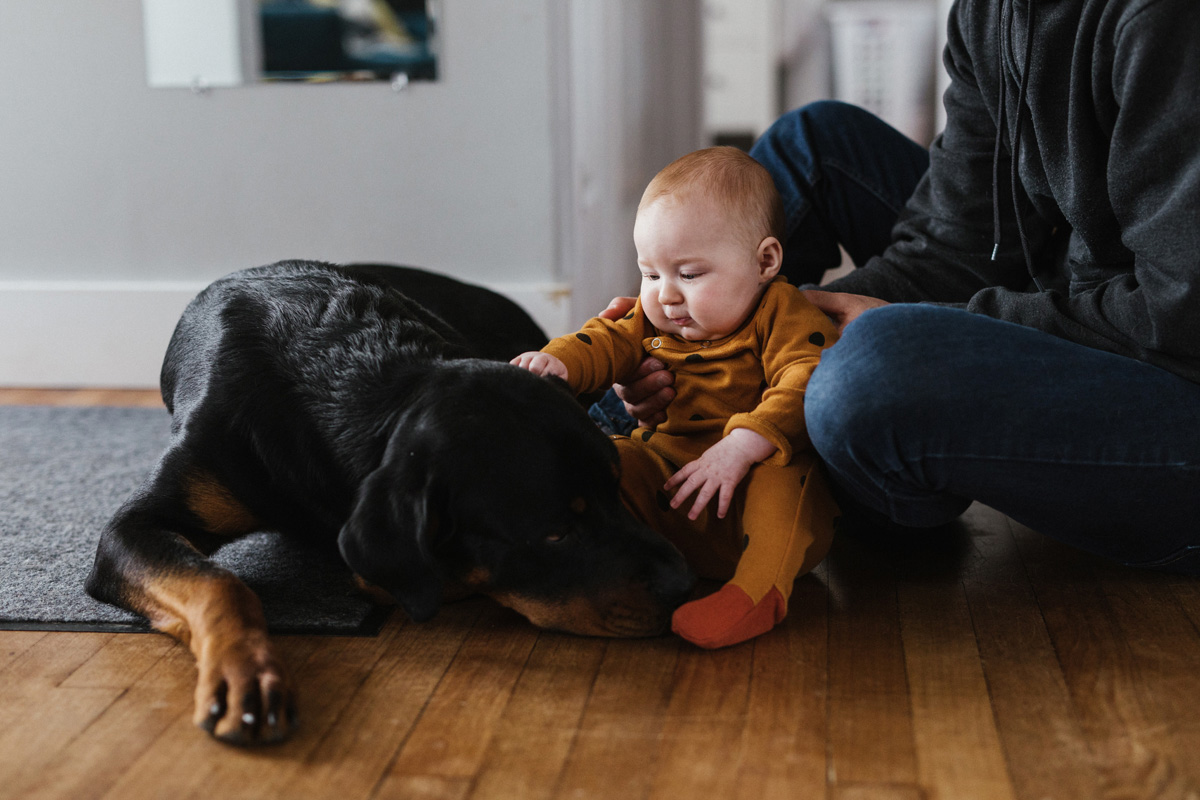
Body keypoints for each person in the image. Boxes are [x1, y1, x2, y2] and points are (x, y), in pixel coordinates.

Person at [608, 0, 1200, 573]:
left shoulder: (1163, 19)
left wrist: (933, 326)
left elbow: (1177, 316)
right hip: (1076, 282)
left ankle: (728, 461)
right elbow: (958, 244)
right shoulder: (990, 12)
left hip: (1172, 377)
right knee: (811, 141)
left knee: (867, 377)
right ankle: (625, 435)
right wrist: (755, 333)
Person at [512, 147, 841, 648]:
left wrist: (741, 445)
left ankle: (756, 594)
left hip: (749, 492)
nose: (666, 295)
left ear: (764, 262)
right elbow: (602, 340)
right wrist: (557, 364)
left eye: (688, 275)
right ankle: (574, 565)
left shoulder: (783, 312)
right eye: (650, 274)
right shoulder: (653, 319)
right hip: (671, 483)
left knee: (786, 476)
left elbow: (808, 378)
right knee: (609, 460)